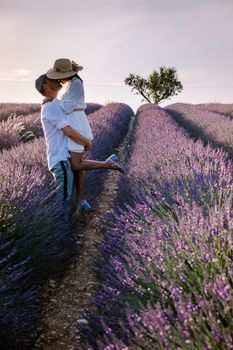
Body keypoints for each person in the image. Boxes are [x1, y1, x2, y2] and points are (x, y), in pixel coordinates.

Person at [35, 74, 124, 215]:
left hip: (66, 155)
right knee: (64, 200)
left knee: (77, 174)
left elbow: (74, 93)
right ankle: (62, 228)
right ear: (46, 86)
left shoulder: (54, 103)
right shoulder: (50, 107)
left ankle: (80, 204)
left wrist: (73, 74)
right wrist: (86, 141)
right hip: (60, 160)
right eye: (52, 79)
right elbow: (68, 131)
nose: (58, 80)